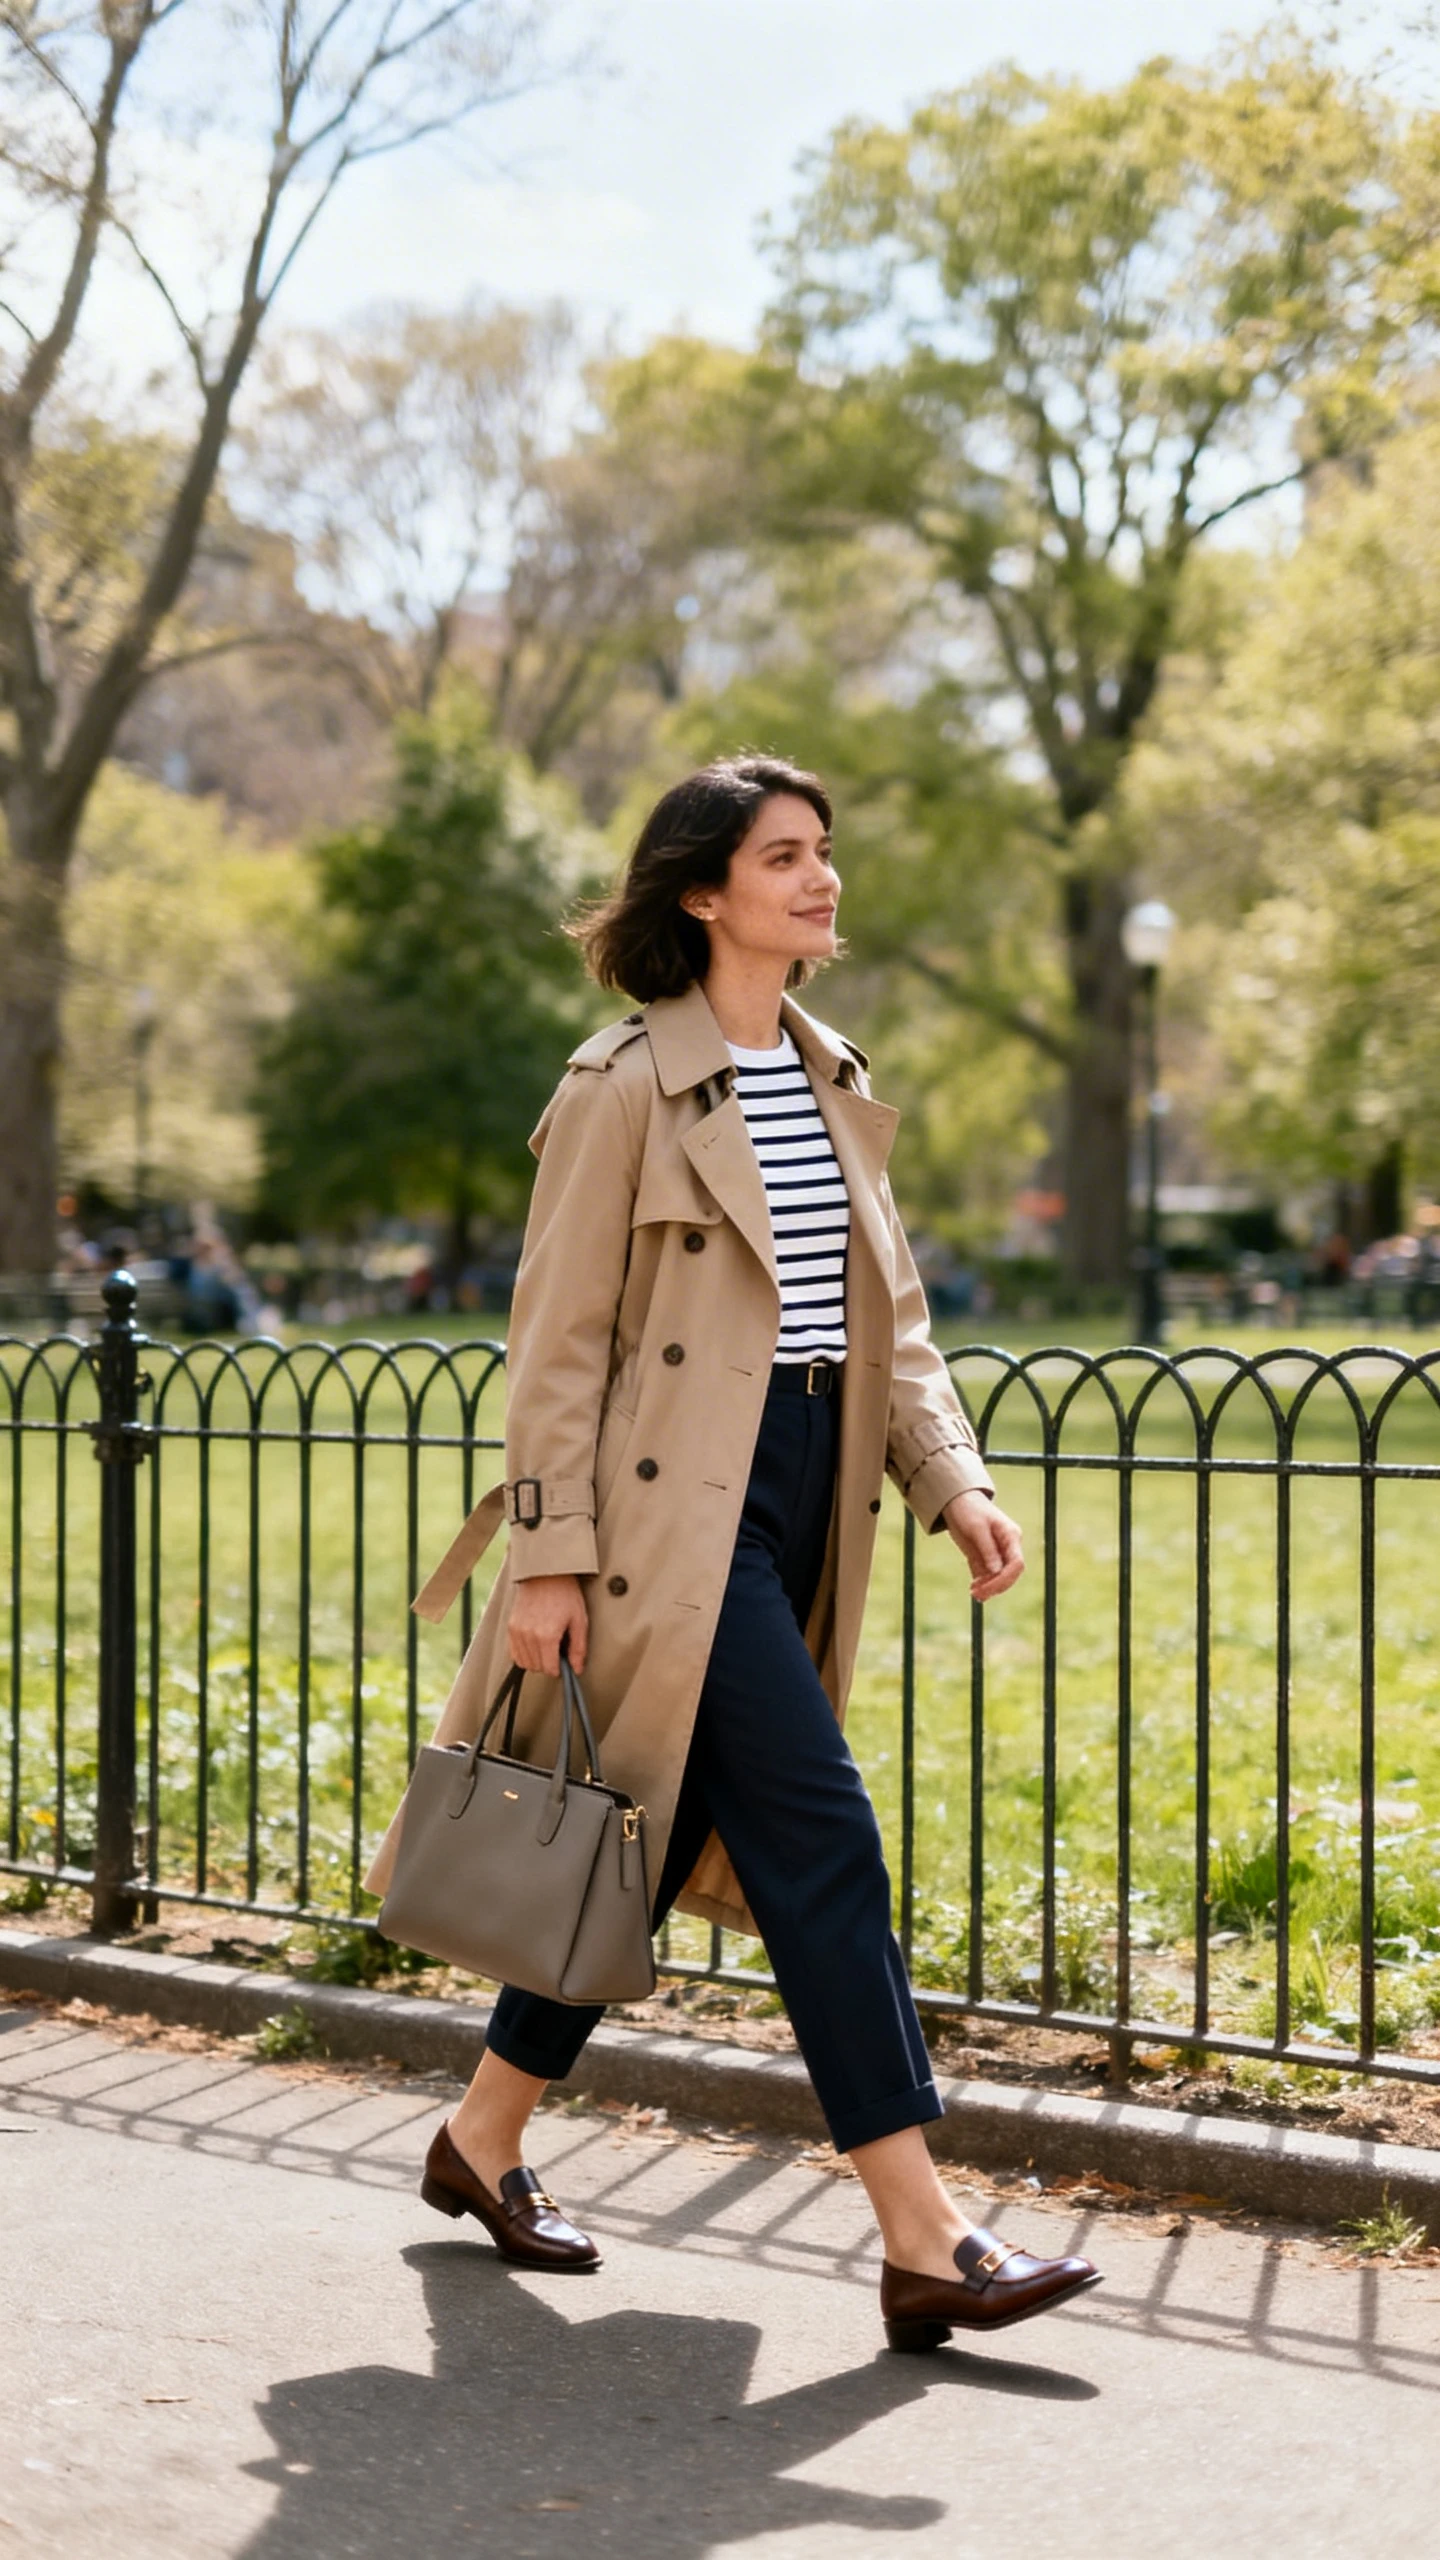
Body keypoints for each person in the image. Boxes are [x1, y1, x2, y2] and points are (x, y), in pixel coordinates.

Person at [366, 755, 1100, 2351]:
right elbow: (555, 1339)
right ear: (706, 893)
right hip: (662, 1519)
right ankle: (924, 2233)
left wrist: (953, 1479)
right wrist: (549, 1554)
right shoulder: (623, 1082)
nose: (823, 879)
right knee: (824, 1836)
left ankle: (479, 2141)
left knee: (641, 1824)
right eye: (787, 857)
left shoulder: (834, 1073)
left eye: (826, 853)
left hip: (804, 1489)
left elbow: (886, 1323)